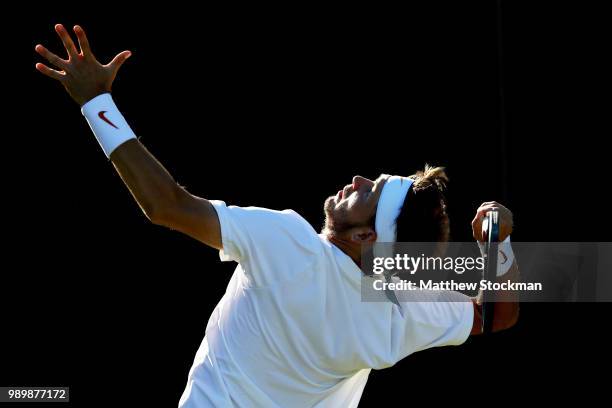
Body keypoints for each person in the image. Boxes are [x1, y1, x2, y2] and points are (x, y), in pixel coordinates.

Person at [35, 24, 519, 407]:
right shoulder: (401, 309)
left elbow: (166, 206)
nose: (356, 181)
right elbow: (500, 314)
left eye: (367, 193)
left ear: (366, 234)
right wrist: (496, 245)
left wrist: (96, 102)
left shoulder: (289, 243)